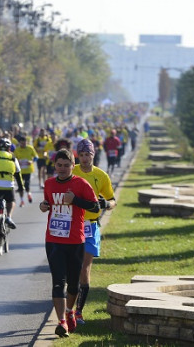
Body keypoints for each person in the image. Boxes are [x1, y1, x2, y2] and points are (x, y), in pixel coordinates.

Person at [39, 149, 100, 337]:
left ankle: (70, 311)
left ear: (73, 166)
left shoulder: (81, 184)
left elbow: (96, 207)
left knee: (73, 284)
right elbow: (47, 203)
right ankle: (62, 322)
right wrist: (43, 206)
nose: (63, 169)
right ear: (55, 166)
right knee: (58, 283)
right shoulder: (49, 184)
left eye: (66, 165)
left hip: (75, 240)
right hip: (54, 240)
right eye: (59, 165)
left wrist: (76, 200)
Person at [72, 139, 116, 325]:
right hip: (73, 224)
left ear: (93, 155)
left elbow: (113, 200)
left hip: (91, 225)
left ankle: (79, 311)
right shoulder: (72, 171)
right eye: (81, 155)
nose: (84, 159)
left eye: (87, 155)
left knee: (85, 268)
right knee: (72, 268)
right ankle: (68, 306)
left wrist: (106, 204)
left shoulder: (101, 175)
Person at [13, 136, 38, 207]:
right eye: (22, 143)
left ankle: (29, 194)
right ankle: (22, 201)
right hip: (19, 171)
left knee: (27, 184)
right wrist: (17, 162)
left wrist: (32, 161)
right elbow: (13, 159)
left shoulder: (30, 148)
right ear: (19, 143)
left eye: (24, 143)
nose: (23, 145)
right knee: (21, 186)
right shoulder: (17, 150)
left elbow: (36, 157)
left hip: (28, 170)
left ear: (26, 142)